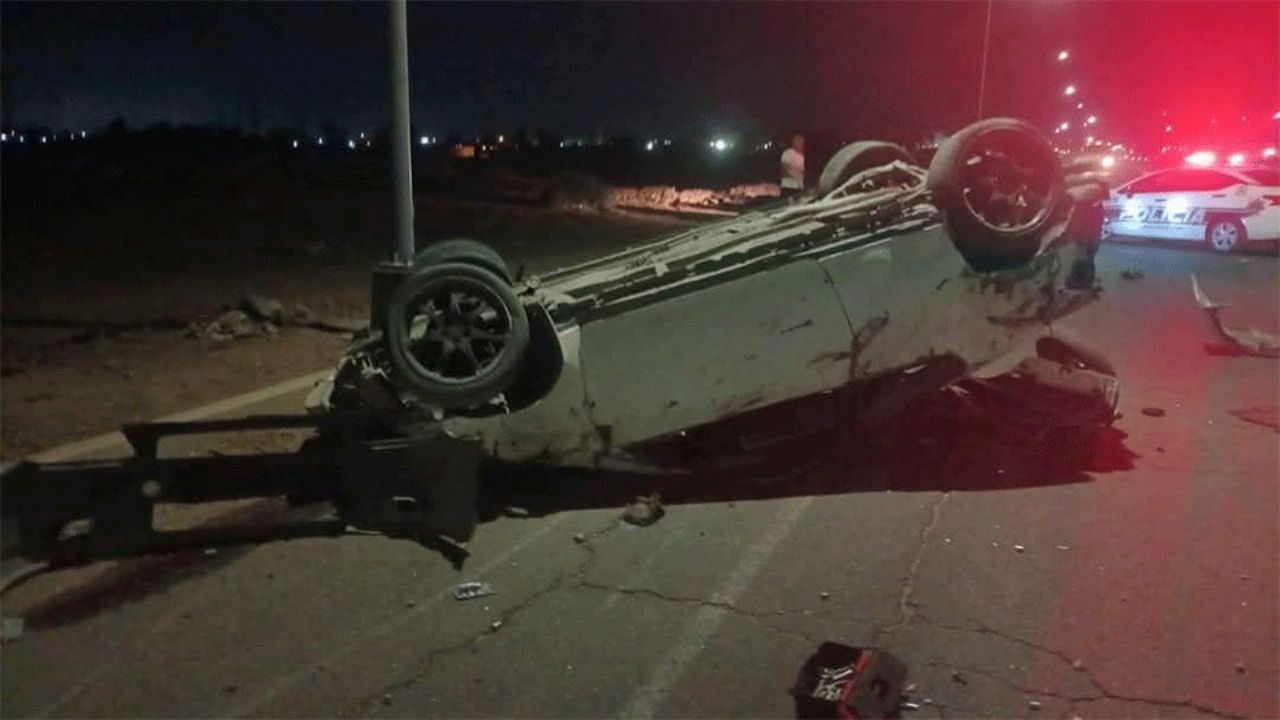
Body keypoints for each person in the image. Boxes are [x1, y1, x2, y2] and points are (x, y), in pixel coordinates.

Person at [780, 133, 805, 197]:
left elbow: (801, 172)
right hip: (789, 187)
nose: (800, 143)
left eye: (801, 141)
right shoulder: (787, 153)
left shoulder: (801, 156)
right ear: (793, 142)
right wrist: (794, 175)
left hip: (799, 187)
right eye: (798, 141)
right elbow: (784, 169)